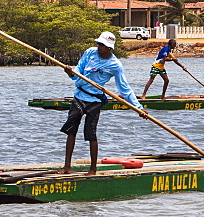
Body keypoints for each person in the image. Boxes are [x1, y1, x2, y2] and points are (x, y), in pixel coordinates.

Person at [57, 31, 147, 176]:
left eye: (103, 45)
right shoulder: (90, 53)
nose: (99, 47)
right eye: (99, 44)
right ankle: (67, 166)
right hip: (79, 96)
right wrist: (70, 72)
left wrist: (138, 108)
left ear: (110, 48)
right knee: (71, 130)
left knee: (91, 134)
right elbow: (77, 73)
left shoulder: (115, 65)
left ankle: (93, 169)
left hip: (95, 100)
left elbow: (124, 88)